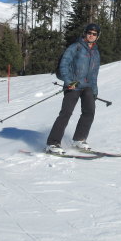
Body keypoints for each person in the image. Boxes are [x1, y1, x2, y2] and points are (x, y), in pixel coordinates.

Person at [46, 23, 101, 154]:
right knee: (66, 113)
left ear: (97, 36)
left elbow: (94, 73)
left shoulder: (96, 52)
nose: (91, 36)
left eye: (94, 34)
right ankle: (52, 143)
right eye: (89, 33)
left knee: (89, 112)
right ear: (85, 33)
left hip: (87, 87)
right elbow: (63, 65)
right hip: (74, 85)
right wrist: (69, 81)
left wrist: (94, 89)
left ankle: (79, 140)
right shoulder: (75, 47)